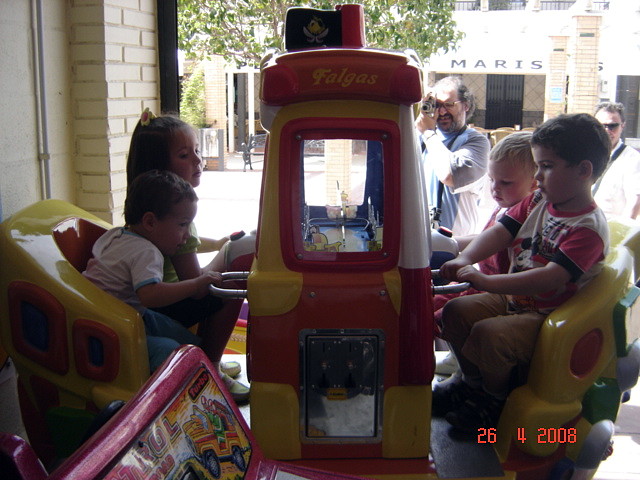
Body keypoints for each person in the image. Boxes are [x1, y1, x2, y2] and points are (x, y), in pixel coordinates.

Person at [435, 113, 610, 432]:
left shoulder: (588, 229)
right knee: (455, 310)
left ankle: (494, 400)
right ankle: (471, 386)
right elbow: (502, 230)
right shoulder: (540, 200)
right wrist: (466, 257)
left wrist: (487, 281)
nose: (539, 176)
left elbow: (551, 278)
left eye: (547, 166)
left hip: (547, 314)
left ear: (584, 170)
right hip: (516, 300)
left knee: (491, 335)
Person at [126, 109, 250, 401]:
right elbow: (194, 283)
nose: (198, 161)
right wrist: (227, 253)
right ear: (159, 167)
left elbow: (187, 243)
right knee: (231, 283)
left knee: (232, 254)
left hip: (165, 296)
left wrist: (219, 243)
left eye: (196, 151)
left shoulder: (157, 204)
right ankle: (211, 363)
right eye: (184, 156)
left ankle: (208, 356)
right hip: (163, 303)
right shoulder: (171, 213)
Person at [83, 170, 218, 374]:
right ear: (150, 222)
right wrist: (196, 284)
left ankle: (197, 362)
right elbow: (150, 295)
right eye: (182, 225)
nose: (188, 234)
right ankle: (183, 381)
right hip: (109, 331)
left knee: (178, 334)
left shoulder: (118, 235)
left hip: (109, 315)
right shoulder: (147, 251)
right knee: (170, 350)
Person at [434, 132, 538, 375]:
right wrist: (450, 243)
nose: (495, 188)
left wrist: (454, 248)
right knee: (432, 304)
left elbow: (497, 244)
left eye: (506, 183)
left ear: (534, 184)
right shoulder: (505, 209)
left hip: (495, 287)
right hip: (482, 282)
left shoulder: (527, 215)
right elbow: (485, 238)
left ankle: (464, 367)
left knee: (440, 310)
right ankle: (456, 357)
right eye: (491, 180)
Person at [415, 76, 490, 236]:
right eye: (437, 105)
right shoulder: (421, 136)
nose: (442, 112)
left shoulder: (476, 142)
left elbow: (450, 175)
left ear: (466, 106)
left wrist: (428, 132)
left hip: (455, 245)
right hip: (420, 238)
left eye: (449, 105)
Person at [593, 101, 640, 221]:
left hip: (610, 232)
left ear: (622, 126)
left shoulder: (633, 159)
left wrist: (621, 236)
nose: (607, 130)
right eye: (601, 125)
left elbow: (634, 203)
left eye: (612, 126)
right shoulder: (585, 154)